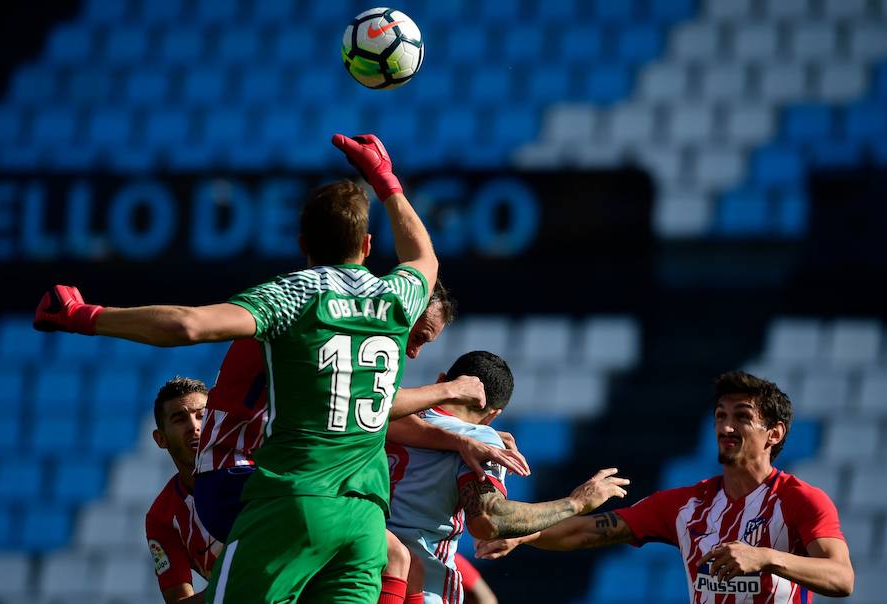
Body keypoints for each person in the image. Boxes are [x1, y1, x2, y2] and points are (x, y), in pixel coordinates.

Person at [34, 133, 439, 603]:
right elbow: (423, 258)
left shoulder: (294, 294)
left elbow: (187, 326)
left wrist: (86, 317)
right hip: (365, 517)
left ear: (303, 243)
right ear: (367, 245)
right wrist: (386, 182)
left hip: (292, 504)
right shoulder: (397, 295)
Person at [192, 281, 528, 544]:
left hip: (252, 479)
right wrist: (450, 391)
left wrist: (459, 439)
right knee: (385, 547)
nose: (413, 353)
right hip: (243, 478)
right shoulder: (342, 328)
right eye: (419, 337)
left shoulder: (346, 327)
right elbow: (369, 410)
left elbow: (382, 419)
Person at [477, 370, 855, 602]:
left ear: (774, 433)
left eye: (741, 418)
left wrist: (767, 558)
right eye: (721, 415)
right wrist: (525, 536)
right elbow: (586, 531)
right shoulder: (685, 505)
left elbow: (841, 579)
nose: (725, 427)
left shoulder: (801, 500)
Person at [386, 351, 630, 604]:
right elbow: (489, 520)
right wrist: (576, 503)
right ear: (493, 414)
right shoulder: (481, 439)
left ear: (441, 381)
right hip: (420, 590)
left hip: (359, 574)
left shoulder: (384, 415)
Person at [145, 377, 219, 604]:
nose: (194, 426)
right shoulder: (162, 518)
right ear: (161, 439)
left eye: (202, 415)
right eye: (179, 419)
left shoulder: (255, 475)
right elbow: (178, 599)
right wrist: (232, 588)